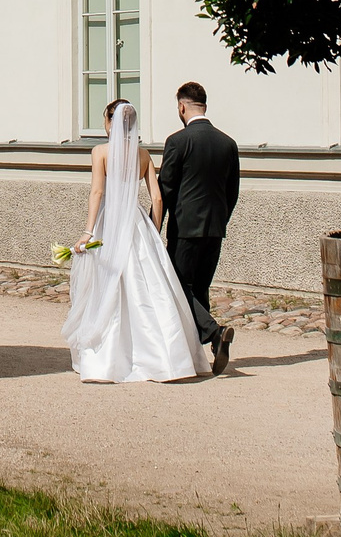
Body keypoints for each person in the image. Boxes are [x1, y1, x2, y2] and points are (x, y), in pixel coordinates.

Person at [62, 99, 209, 383]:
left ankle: (109, 359)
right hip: (137, 221)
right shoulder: (143, 155)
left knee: (108, 285)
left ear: (109, 123)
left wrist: (89, 231)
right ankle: (167, 357)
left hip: (111, 221)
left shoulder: (100, 152)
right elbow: (156, 198)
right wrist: (153, 231)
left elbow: (97, 193)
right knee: (150, 287)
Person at [156, 81, 240, 373]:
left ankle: (215, 332)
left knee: (178, 285)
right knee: (199, 288)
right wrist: (220, 220)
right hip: (215, 227)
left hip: (185, 228)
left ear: (182, 106)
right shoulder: (227, 143)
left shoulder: (177, 141)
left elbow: (165, 189)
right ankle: (204, 352)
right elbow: (233, 191)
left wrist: (156, 226)